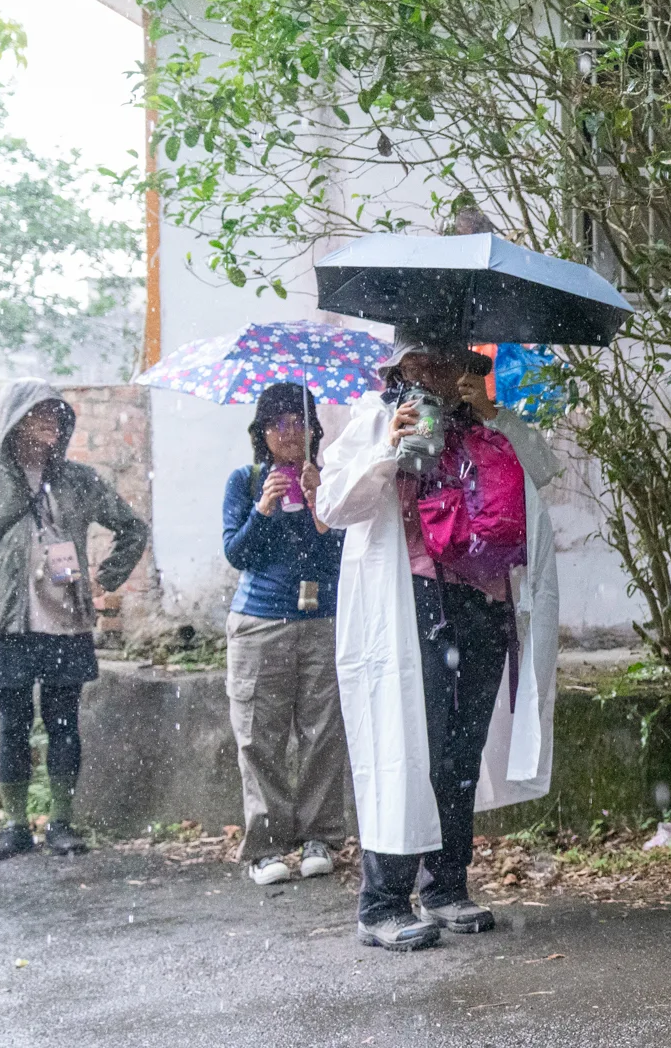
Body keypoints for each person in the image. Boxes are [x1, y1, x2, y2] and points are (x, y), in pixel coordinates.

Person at [317, 331, 560, 952]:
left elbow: (544, 471)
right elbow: (332, 506)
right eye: (422, 362)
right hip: (410, 605)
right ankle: (383, 901)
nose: (435, 375)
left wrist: (493, 414)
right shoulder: (376, 420)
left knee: (461, 750)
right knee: (404, 744)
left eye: (448, 364)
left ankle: (446, 885)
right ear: (400, 368)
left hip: (480, 601)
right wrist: (388, 451)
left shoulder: (482, 427)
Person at [0, 379, 150, 861]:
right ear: (14, 423)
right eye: (40, 416)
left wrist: (105, 581)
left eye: (58, 417)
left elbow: (132, 527)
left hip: (67, 624)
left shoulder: (79, 479)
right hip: (5, 624)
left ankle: (62, 824)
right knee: (12, 723)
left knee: (64, 724)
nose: (52, 425)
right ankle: (15, 826)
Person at [221, 382, 349, 886]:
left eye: (299, 421)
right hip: (260, 624)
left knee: (323, 732)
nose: (289, 431)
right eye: (278, 423)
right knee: (259, 736)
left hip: (322, 621)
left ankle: (320, 837)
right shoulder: (246, 480)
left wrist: (322, 509)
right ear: (262, 433)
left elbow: (342, 557)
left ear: (314, 429)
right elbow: (238, 554)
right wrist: (264, 509)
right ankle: (266, 847)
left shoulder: (329, 478)